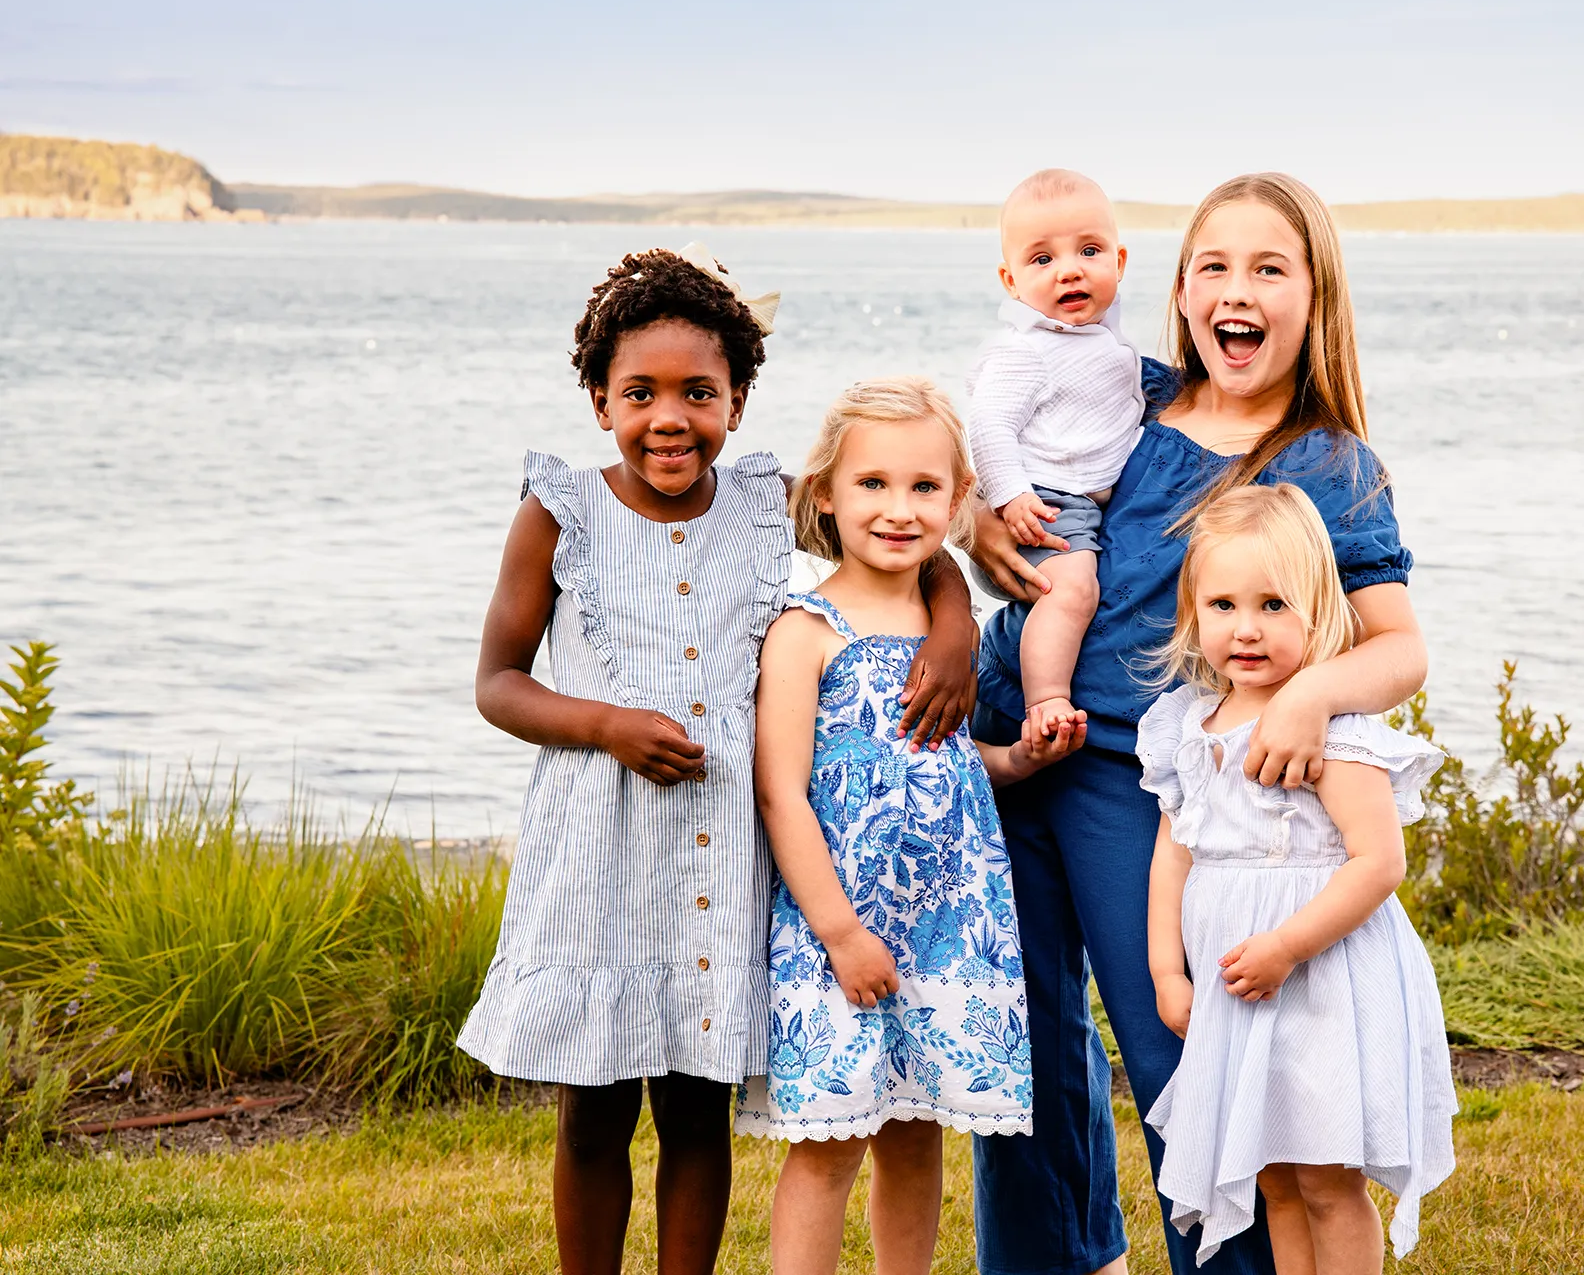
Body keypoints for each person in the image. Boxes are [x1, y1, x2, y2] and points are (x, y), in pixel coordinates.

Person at [456, 249, 979, 1275]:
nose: (669, 418)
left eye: (700, 393)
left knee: (697, 1113)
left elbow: (895, 533)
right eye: (639, 392)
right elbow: (498, 682)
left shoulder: (757, 504)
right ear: (600, 399)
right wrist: (605, 722)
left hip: (715, 862)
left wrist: (954, 623)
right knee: (595, 1116)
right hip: (600, 857)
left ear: (737, 402)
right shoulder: (560, 513)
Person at [967, 173, 1430, 1275]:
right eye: (1214, 266)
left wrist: (1313, 693)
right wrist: (981, 527)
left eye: (1270, 268)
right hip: (1020, 730)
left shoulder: (1329, 462)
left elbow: (1401, 649)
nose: (1238, 290)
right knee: (1027, 1052)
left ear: (1315, 298)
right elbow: (993, 467)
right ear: (1176, 289)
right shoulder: (1130, 397)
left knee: (1192, 1058)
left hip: (1155, 779)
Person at [737, 377, 1085, 1275]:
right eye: (873, 485)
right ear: (826, 494)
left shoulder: (944, 620)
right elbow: (782, 795)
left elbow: (957, 761)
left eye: (926, 488)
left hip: (948, 926)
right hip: (840, 927)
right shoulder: (804, 631)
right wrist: (841, 934)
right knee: (828, 1145)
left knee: (919, 1129)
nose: (900, 509)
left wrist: (1024, 757)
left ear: (961, 499)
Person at [1139, 484, 1453, 1270]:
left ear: (1319, 612)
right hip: (1236, 984)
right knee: (1275, 1176)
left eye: (1274, 605)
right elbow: (1174, 852)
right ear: (1193, 613)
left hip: (1319, 978)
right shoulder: (1187, 724)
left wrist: (1283, 946)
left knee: (1324, 1177)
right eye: (1223, 605)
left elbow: (1379, 862)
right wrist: (1164, 971)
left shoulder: (1331, 729)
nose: (1246, 629)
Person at [966, 168, 1145, 740]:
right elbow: (988, 423)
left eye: (1088, 251)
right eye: (1042, 260)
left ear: (1118, 263)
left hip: (1075, 500)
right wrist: (1009, 495)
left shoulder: (1105, 341)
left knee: (1074, 587)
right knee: (1073, 590)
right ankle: (1045, 698)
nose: (1069, 269)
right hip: (1043, 500)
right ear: (1011, 280)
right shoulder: (1027, 351)